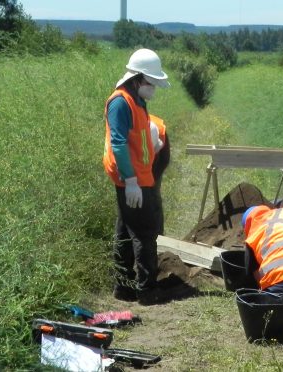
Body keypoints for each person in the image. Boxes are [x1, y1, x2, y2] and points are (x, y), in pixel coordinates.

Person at [103, 48, 170, 305]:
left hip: (138, 177)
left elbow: (138, 139)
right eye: (151, 83)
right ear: (138, 78)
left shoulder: (138, 101)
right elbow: (118, 144)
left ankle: (124, 287)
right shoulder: (120, 102)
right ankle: (147, 290)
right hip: (131, 179)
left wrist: (152, 149)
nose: (153, 88)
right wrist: (130, 181)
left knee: (124, 232)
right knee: (144, 232)